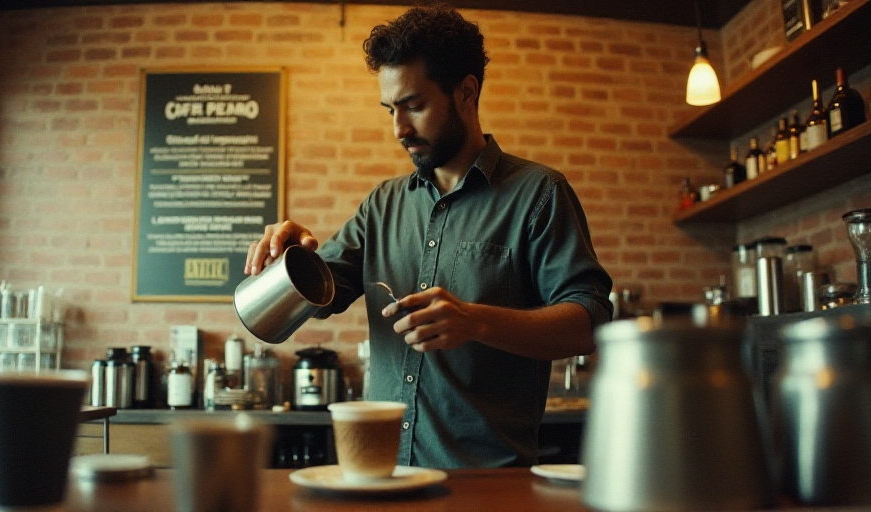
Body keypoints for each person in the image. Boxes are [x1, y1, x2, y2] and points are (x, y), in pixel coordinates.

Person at [245, 4, 613, 468]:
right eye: (390, 109)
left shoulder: (538, 193)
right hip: (384, 476)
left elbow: (590, 322)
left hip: (487, 486)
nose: (399, 128)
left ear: (466, 92)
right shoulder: (382, 204)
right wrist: (291, 256)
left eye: (414, 106)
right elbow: (323, 294)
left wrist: (476, 321)